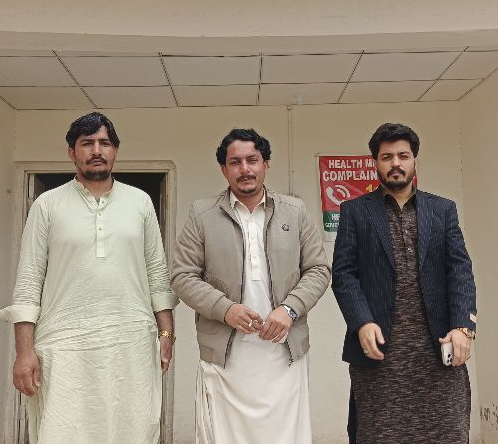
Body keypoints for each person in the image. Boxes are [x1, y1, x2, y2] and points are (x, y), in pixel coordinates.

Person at [0, 112, 177, 444]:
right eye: (87, 143)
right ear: (71, 152)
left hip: (130, 343)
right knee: (63, 430)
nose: (96, 150)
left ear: (115, 151)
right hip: (65, 346)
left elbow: (157, 272)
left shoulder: (140, 203)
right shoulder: (47, 205)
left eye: (104, 143)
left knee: (132, 427)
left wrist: (166, 333)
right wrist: (24, 352)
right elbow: (29, 281)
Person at [171, 128, 330, 444]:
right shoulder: (202, 214)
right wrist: (226, 309)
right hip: (225, 354)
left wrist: (289, 309)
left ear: (266, 164)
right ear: (223, 169)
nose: (244, 169)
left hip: (284, 350)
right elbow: (182, 276)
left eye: (252, 160)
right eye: (235, 162)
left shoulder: (294, 211)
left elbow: (318, 270)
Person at [332, 123, 478, 444]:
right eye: (387, 157)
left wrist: (463, 327)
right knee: (380, 435)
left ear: (414, 161)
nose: (395, 163)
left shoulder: (442, 210)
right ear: (376, 163)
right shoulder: (355, 211)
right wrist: (361, 321)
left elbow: (460, 270)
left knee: (447, 434)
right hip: (380, 353)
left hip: (438, 349)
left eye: (403, 156)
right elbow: (344, 274)